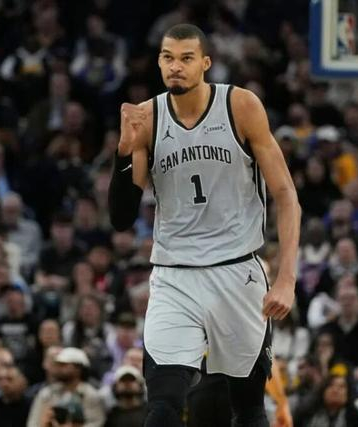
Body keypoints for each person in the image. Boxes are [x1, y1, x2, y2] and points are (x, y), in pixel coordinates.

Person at [108, 23, 300, 427]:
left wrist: (286, 279)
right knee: (162, 404)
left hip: (237, 272)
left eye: (186, 58)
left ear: (206, 63)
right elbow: (121, 218)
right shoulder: (147, 118)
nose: (175, 67)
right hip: (174, 275)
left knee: (248, 408)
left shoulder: (240, 106)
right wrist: (123, 152)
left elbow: (286, 196)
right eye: (167, 58)